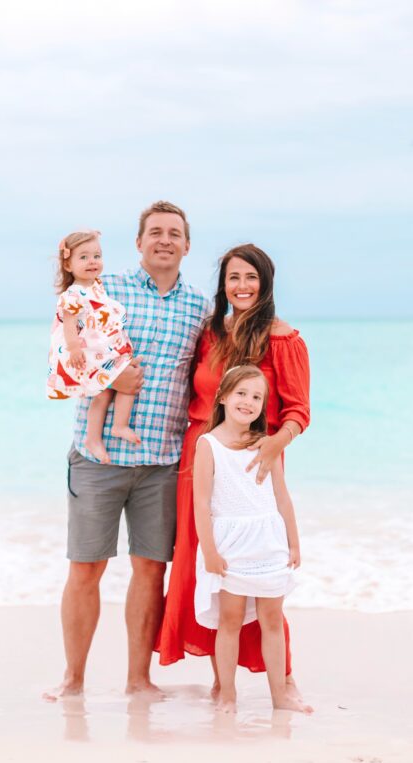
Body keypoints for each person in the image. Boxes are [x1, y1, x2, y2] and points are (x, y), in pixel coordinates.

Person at [44, 201, 210, 701]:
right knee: (85, 568)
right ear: (138, 243)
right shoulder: (103, 289)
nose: (164, 240)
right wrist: (112, 374)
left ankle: (139, 680)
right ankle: (73, 680)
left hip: (162, 462)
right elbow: (65, 346)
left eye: (174, 233)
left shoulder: (200, 307)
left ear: (186, 245)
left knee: (150, 569)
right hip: (97, 460)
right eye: (154, 232)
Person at [156, 243, 310, 693]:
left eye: (251, 277)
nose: (242, 287)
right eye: (233, 278)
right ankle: (222, 684)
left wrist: (272, 446)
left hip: (255, 463)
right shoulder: (211, 332)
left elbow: (299, 411)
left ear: (265, 283)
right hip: (201, 455)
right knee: (207, 567)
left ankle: (285, 679)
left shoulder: (283, 338)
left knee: (261, 568)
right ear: (223, 286)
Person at [193, 364, 311, 713]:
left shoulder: (266, 444)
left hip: (268, 542)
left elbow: (282, 496)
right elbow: (200, 502)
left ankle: (279, 699)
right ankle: (228, 695)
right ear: (223, 397)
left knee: (272, 621)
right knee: (230, 621)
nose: (248, 402)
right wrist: (210, 552)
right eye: (241, 393)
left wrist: (293, 542)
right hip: (230, 546)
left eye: (257, 397)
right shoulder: (208, 445)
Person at [46, 230, 139, 463]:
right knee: (108, 389)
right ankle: (101, 434)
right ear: (68, 264)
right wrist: (75, 349)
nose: (92, 262)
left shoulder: (96, 286)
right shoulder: (73, 294)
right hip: (87, 351)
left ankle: (112, 428)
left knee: (113, 387)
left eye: (97, 256)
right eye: (84, 257)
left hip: (103, 346)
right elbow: (68, 325)